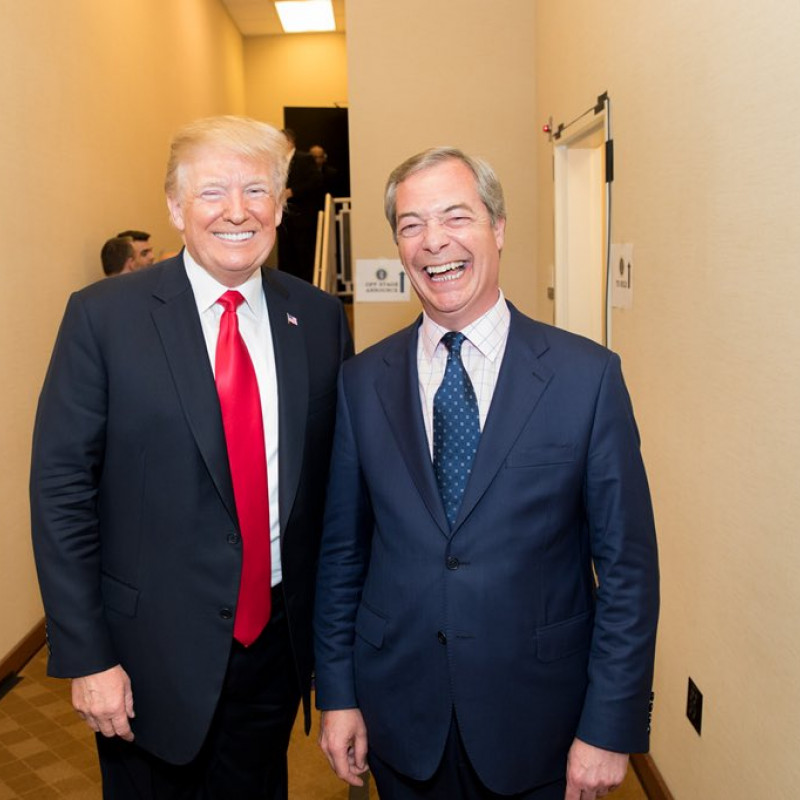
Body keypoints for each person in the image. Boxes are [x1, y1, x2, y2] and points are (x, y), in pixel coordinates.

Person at [314, 147, 659, 799]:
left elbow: (628, 571)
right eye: (411, 225)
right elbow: (342, 555)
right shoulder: (362, 382)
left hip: (540, 726)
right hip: (400, 718)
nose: (433, 241)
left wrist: (609, 726)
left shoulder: (587, 379)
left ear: (497, 229)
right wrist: (337, 695)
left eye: (455, 216)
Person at [30, 115, 353, 799]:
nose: (237, 211)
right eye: (212, 192)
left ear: (280, 204)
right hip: (144, 660)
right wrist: (87, 656)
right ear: (176, 208)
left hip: (273, 650)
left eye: (257, 190)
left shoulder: (320, 320)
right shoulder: (103, 318)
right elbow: (62, 491)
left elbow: (333, 498)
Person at [277, 130, 324, 284]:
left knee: (303, 257)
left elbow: (315, 182)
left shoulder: (305, 158)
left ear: (289, 142)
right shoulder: (276, 161)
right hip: (283, 218)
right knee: (286, 258)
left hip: (302, 218)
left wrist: (293, 191)